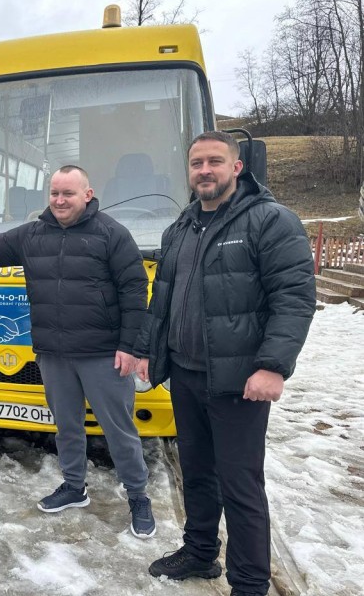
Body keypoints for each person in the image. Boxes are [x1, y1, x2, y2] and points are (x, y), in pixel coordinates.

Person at [0, 165, 156, 538]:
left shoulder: (111, 234)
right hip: (53, 352)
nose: (59, 201)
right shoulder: (32, 234)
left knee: (118, 429)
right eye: (55, 193)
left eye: (68, 194)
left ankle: (138, 497)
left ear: (87, 195)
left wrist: (130, 347)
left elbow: (134, 291)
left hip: (102, 353)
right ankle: (74, 487)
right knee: (67, 427)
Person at [134, 132, 315, 595]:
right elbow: (163, 301)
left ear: (237, 167)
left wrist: (273, 365)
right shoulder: (180, 228)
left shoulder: (271, 221)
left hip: (240, 381)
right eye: (197, 163)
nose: (204, 170)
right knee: (196, 472)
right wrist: (149, 352)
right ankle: (199, 552)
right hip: (188, 374)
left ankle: (251, 584)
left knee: (240, 485)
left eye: (215, 161)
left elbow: (294, 299)